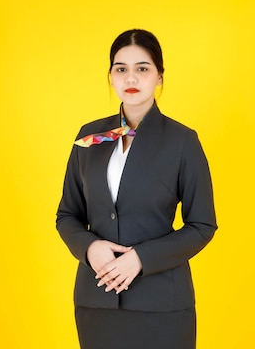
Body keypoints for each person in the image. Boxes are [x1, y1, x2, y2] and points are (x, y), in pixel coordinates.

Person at [56, 29, 217, 349]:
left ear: (159, 76)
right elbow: (67, 214)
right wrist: (89, 248)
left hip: (161, 305)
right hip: (97, 302)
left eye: (142, 68)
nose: (131, 77)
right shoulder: (90, 138)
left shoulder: (182, 141)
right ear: (111, 77)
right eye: (121, 68)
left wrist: (141, 258)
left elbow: (202, 225)